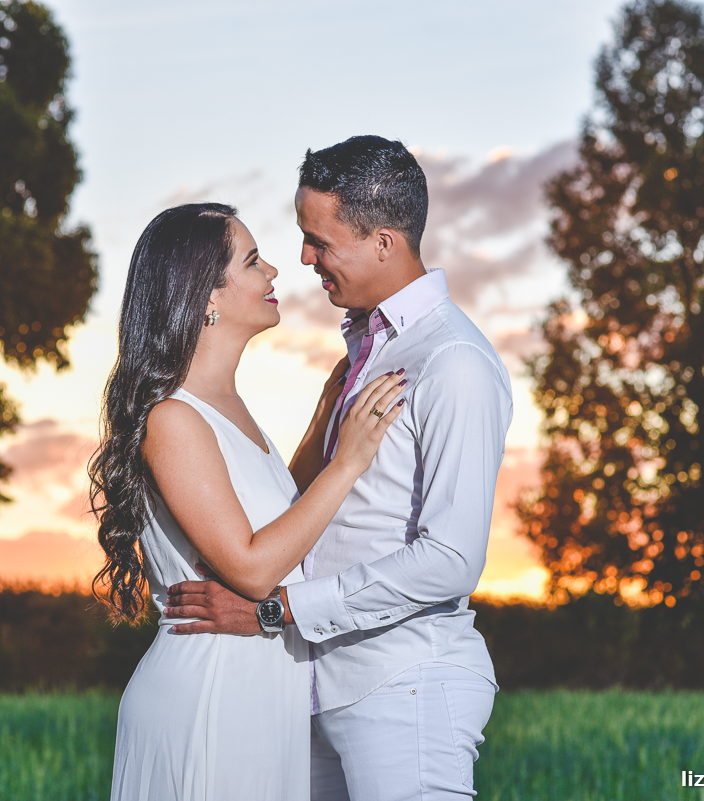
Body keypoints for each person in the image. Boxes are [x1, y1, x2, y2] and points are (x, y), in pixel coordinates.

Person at [165, 136, 514, 800]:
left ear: (384, 242)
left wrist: (276, 610)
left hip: (403, 685)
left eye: (319, 241)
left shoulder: (453, 362)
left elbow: (449, 559)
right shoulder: (365, 353)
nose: (303, 258)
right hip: (316, 686)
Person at [90, 202, 407, 801]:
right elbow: (255, 567)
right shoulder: (173, 418)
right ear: (204, 294)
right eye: (253, 261)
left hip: (260, 691)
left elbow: (267, 518)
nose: (274, 274)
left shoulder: (225, 408)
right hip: (212, 694)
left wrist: (323, 423)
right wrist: (350, 460)